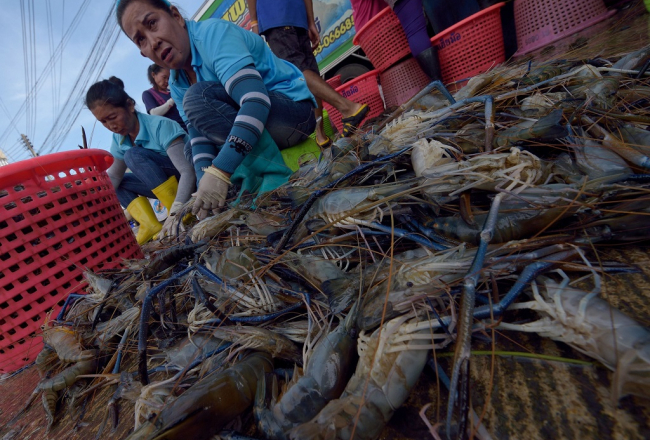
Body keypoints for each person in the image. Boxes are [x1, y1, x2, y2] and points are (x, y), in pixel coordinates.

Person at [116, 0, 317, 219]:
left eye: (152, 23)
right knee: (190, 149)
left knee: (198, 97)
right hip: (261, 130)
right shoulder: (177, 83)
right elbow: (199, 136)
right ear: (142, 53)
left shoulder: (213, 34)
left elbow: (255, 100)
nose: (153, 42)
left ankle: (274, 180)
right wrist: (204, 186)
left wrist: (220, 171)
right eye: (141, 39)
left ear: (176, 16)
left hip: (293, 116)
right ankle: (229, 195)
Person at [85, 76, 195, 244]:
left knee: (133, 155)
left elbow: (188, 170)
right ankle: (149, 225)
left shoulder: (160, 126)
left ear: (130, 105)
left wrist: (177, 209)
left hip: (188, 183)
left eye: (113, 117)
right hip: (165, 186)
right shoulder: (119, 139)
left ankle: (179, 212)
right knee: (116, 182)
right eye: (103, 121)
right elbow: (114, 177)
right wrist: (93, 206)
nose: (111, 126)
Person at [246, 0, 370, 145]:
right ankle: (320, 135)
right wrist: (310, 22)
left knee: (297, 72)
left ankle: (348, 108)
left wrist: (254, 23)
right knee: (309, 72)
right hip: (299, 18)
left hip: (275, 19)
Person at [350, 0, 442, 81]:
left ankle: (433, 85)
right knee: (415, 32)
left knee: (395, 66)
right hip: (378, 27)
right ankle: (438, 82)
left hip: (367, 33)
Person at [142, 63, 187, 131]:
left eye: (168, 78)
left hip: (188, 123)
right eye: (164, 77)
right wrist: (172, 100)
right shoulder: (148, 94)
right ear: (153, 75)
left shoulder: (172, 90)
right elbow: (154, 113)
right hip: (175, 131)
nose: (167, 81)